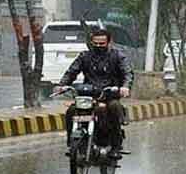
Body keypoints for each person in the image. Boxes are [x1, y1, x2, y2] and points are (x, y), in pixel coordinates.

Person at [55, 21, 133, 159]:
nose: (98, 46)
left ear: (109, 42)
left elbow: (127, 73)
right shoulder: (84, 56)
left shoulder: (117, 56)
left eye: (102, 43)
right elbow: (72, 72)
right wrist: (62, 85)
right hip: (88, 96)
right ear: (91, 42)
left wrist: (125, 87)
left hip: (109, 95)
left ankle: (115, 146)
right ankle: (72, 143)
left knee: (114, 108)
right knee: (71, 111)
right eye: (95, 43)